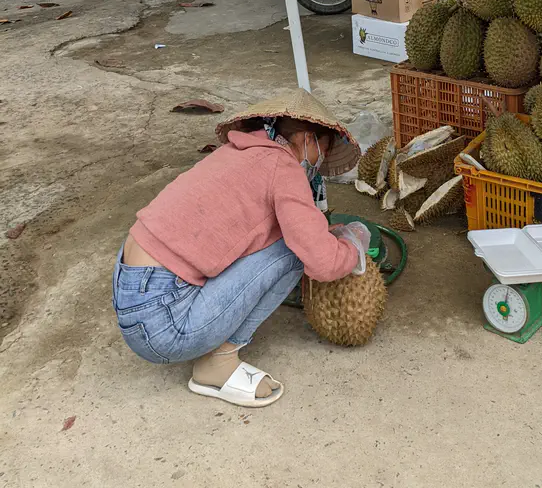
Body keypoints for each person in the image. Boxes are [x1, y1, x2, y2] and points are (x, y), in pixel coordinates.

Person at [112, 90, 371, 408]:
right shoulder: (283, 167)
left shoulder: (236, 153)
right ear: (306, 140)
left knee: (284, 237)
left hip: (132, 292)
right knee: (294, 251)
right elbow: (321, 261)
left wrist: (317, 234)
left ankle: (209, 348)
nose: (319, 162)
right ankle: (217, 364)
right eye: (324, 149)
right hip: (164, 324)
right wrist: (352, 245)